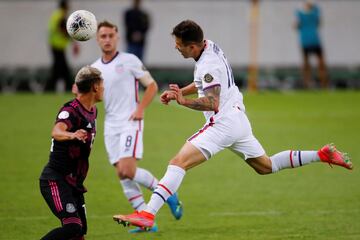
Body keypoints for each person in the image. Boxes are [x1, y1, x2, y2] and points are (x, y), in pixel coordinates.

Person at [113, 20, 353, 229]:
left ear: (193, 46)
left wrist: (183, 100)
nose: (176, 47)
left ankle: (148, 214)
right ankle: (322, 155)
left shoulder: (209, 64)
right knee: (265, 166)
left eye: (179, 45)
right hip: (238, 118)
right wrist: (180, 90)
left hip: (223, 122)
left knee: (178, 163)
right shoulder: (209, 46)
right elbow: (204, 83)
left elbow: (212, 102)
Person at [91, 20, 182, 233]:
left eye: (110, 35)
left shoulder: (129, 60)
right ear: (97, 39)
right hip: (110, 126)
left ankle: (167, 193)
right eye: (103, 36)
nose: (107, 40)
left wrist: (140, 108)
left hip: (131, 121)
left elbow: (151, 85)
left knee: (127, 169)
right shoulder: (94, 68)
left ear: (117, 37)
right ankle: (146, 221)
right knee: (122, 174)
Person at [39, 66, 104, 240]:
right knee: (72, 227)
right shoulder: (71, 111)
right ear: (95, 87)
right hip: (55, 180)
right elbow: (56, 131)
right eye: (102, 84)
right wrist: (72, 134)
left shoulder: (92, 111)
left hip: (74, 183)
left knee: (79, 233)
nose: (104, 88)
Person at [46, 0, 79, 92]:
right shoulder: (61, 16)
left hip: (55, 45)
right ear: (65, 6)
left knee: (59, 68)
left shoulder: (56, 15)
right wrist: (74, 43)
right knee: (62, 68)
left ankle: (51, 88)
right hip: (58, 45)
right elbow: (64, 30)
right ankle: (67, 88)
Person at [295, 0, 328, 88]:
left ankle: (324, 84)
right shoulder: (299, 13)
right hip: (305, 41)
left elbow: (318, 22)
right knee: (306, 64)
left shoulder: (315, 11)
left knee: (321, 64)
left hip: (315, 40)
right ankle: (306, 84)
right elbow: (296, 25)